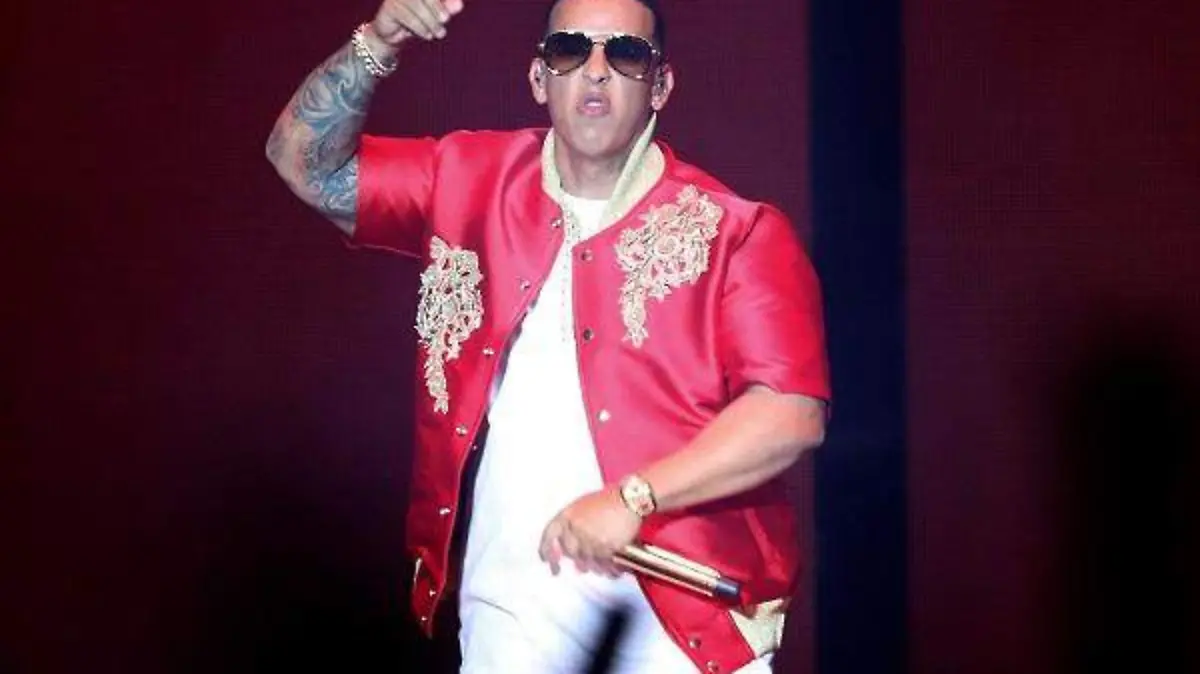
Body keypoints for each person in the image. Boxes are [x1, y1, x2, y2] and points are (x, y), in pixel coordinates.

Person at [265, 0, 830, 671]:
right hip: (514, 601)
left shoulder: (738, 231)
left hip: (684, 607)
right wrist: (378, 40)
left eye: (625, 54)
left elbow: (789, 413)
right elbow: (306, 164)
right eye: (570, 50)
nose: (596, 70)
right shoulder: (468, 181)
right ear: (539, 78)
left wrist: (634, 497)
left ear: (660, 86)